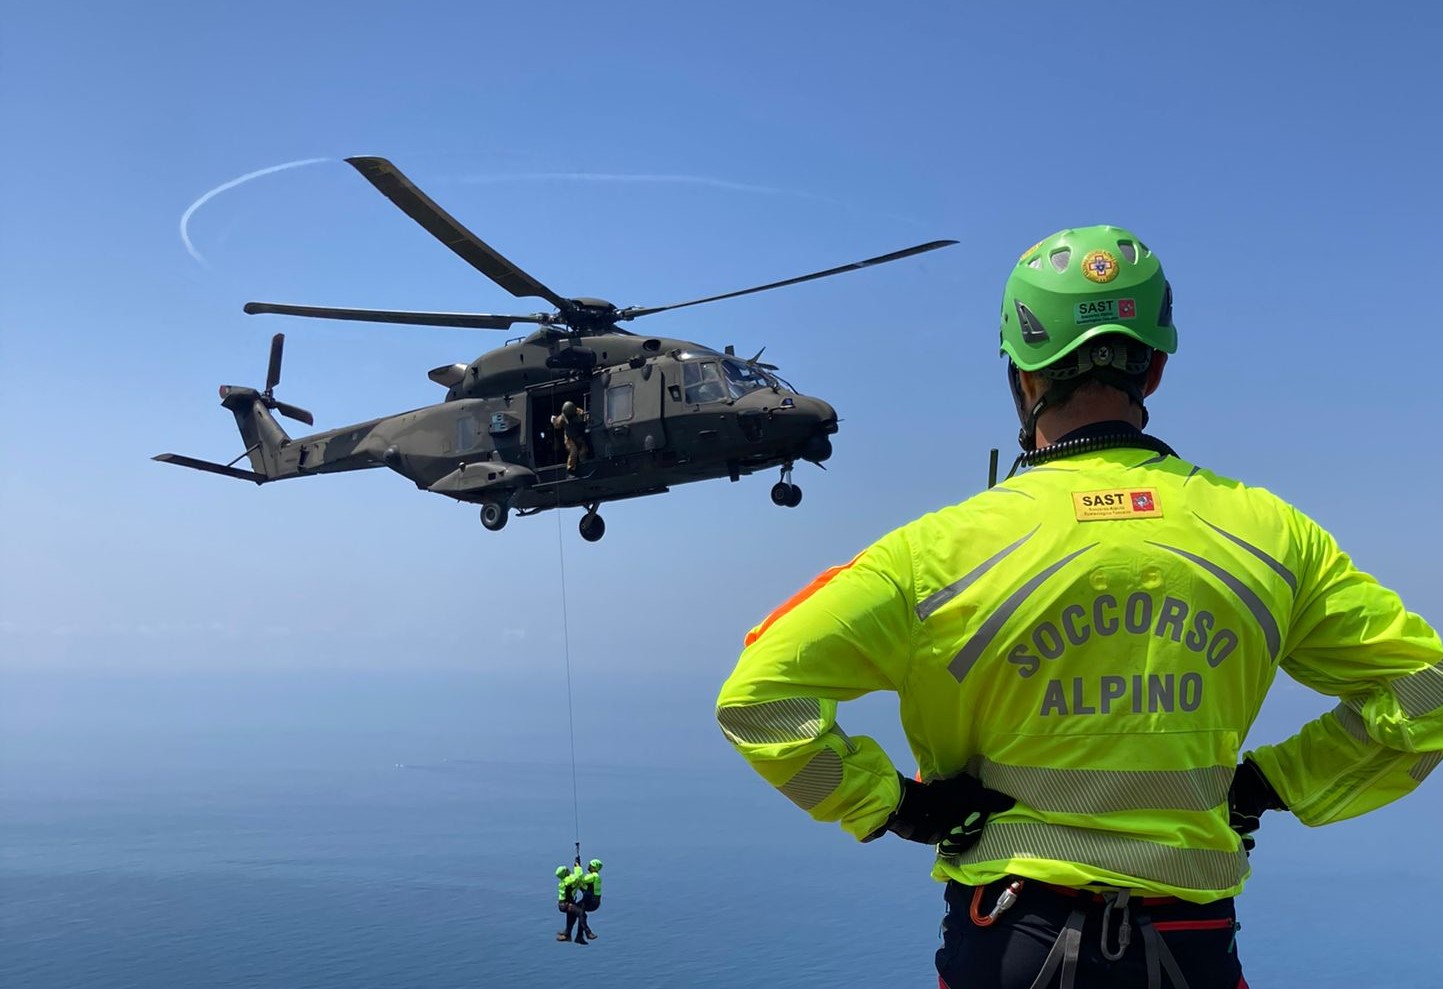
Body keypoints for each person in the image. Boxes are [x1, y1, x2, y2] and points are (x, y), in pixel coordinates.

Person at [715, 225, 1443, 989]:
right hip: (1190, 940)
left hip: (1008, 935)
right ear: (1153, 368)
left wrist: (894, 805)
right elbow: (1425, 688)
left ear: (1021, 374)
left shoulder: (937, 549)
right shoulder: (1271, 534)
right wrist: (1275, 783)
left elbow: (758, 700)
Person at [550, 400, 591, 474]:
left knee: (583, 451)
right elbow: (557, 425)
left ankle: (584, 465)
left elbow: (587, 418)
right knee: (574, 450)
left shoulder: (579, 412)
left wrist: (585, 418)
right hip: (569, 438)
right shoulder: (563, 417)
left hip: (578, 436)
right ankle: (571, 469)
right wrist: (553, 420)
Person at [554, 864, 588, 945]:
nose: (568, 870)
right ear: (565, 873)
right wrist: (577, 867)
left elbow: (575, 881)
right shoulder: (567, 881)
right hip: (565, 904)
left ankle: (567, 935)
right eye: (566, 870)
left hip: (566, 903)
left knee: (572, 918)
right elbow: (578, 877)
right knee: (581, 913)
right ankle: (585, 933)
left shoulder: (565, 881)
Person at [576, 858, 603, 940]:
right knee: (581, 913)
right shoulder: (595, 877)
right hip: (594, 902)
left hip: (591, 902)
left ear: (594, 868)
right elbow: (584, 887)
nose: (589, 866)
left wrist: (578, 867)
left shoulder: (593, 876)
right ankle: (580, 936)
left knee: (577, 910)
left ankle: (587, 933)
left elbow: (580, 879)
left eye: (590, 865)